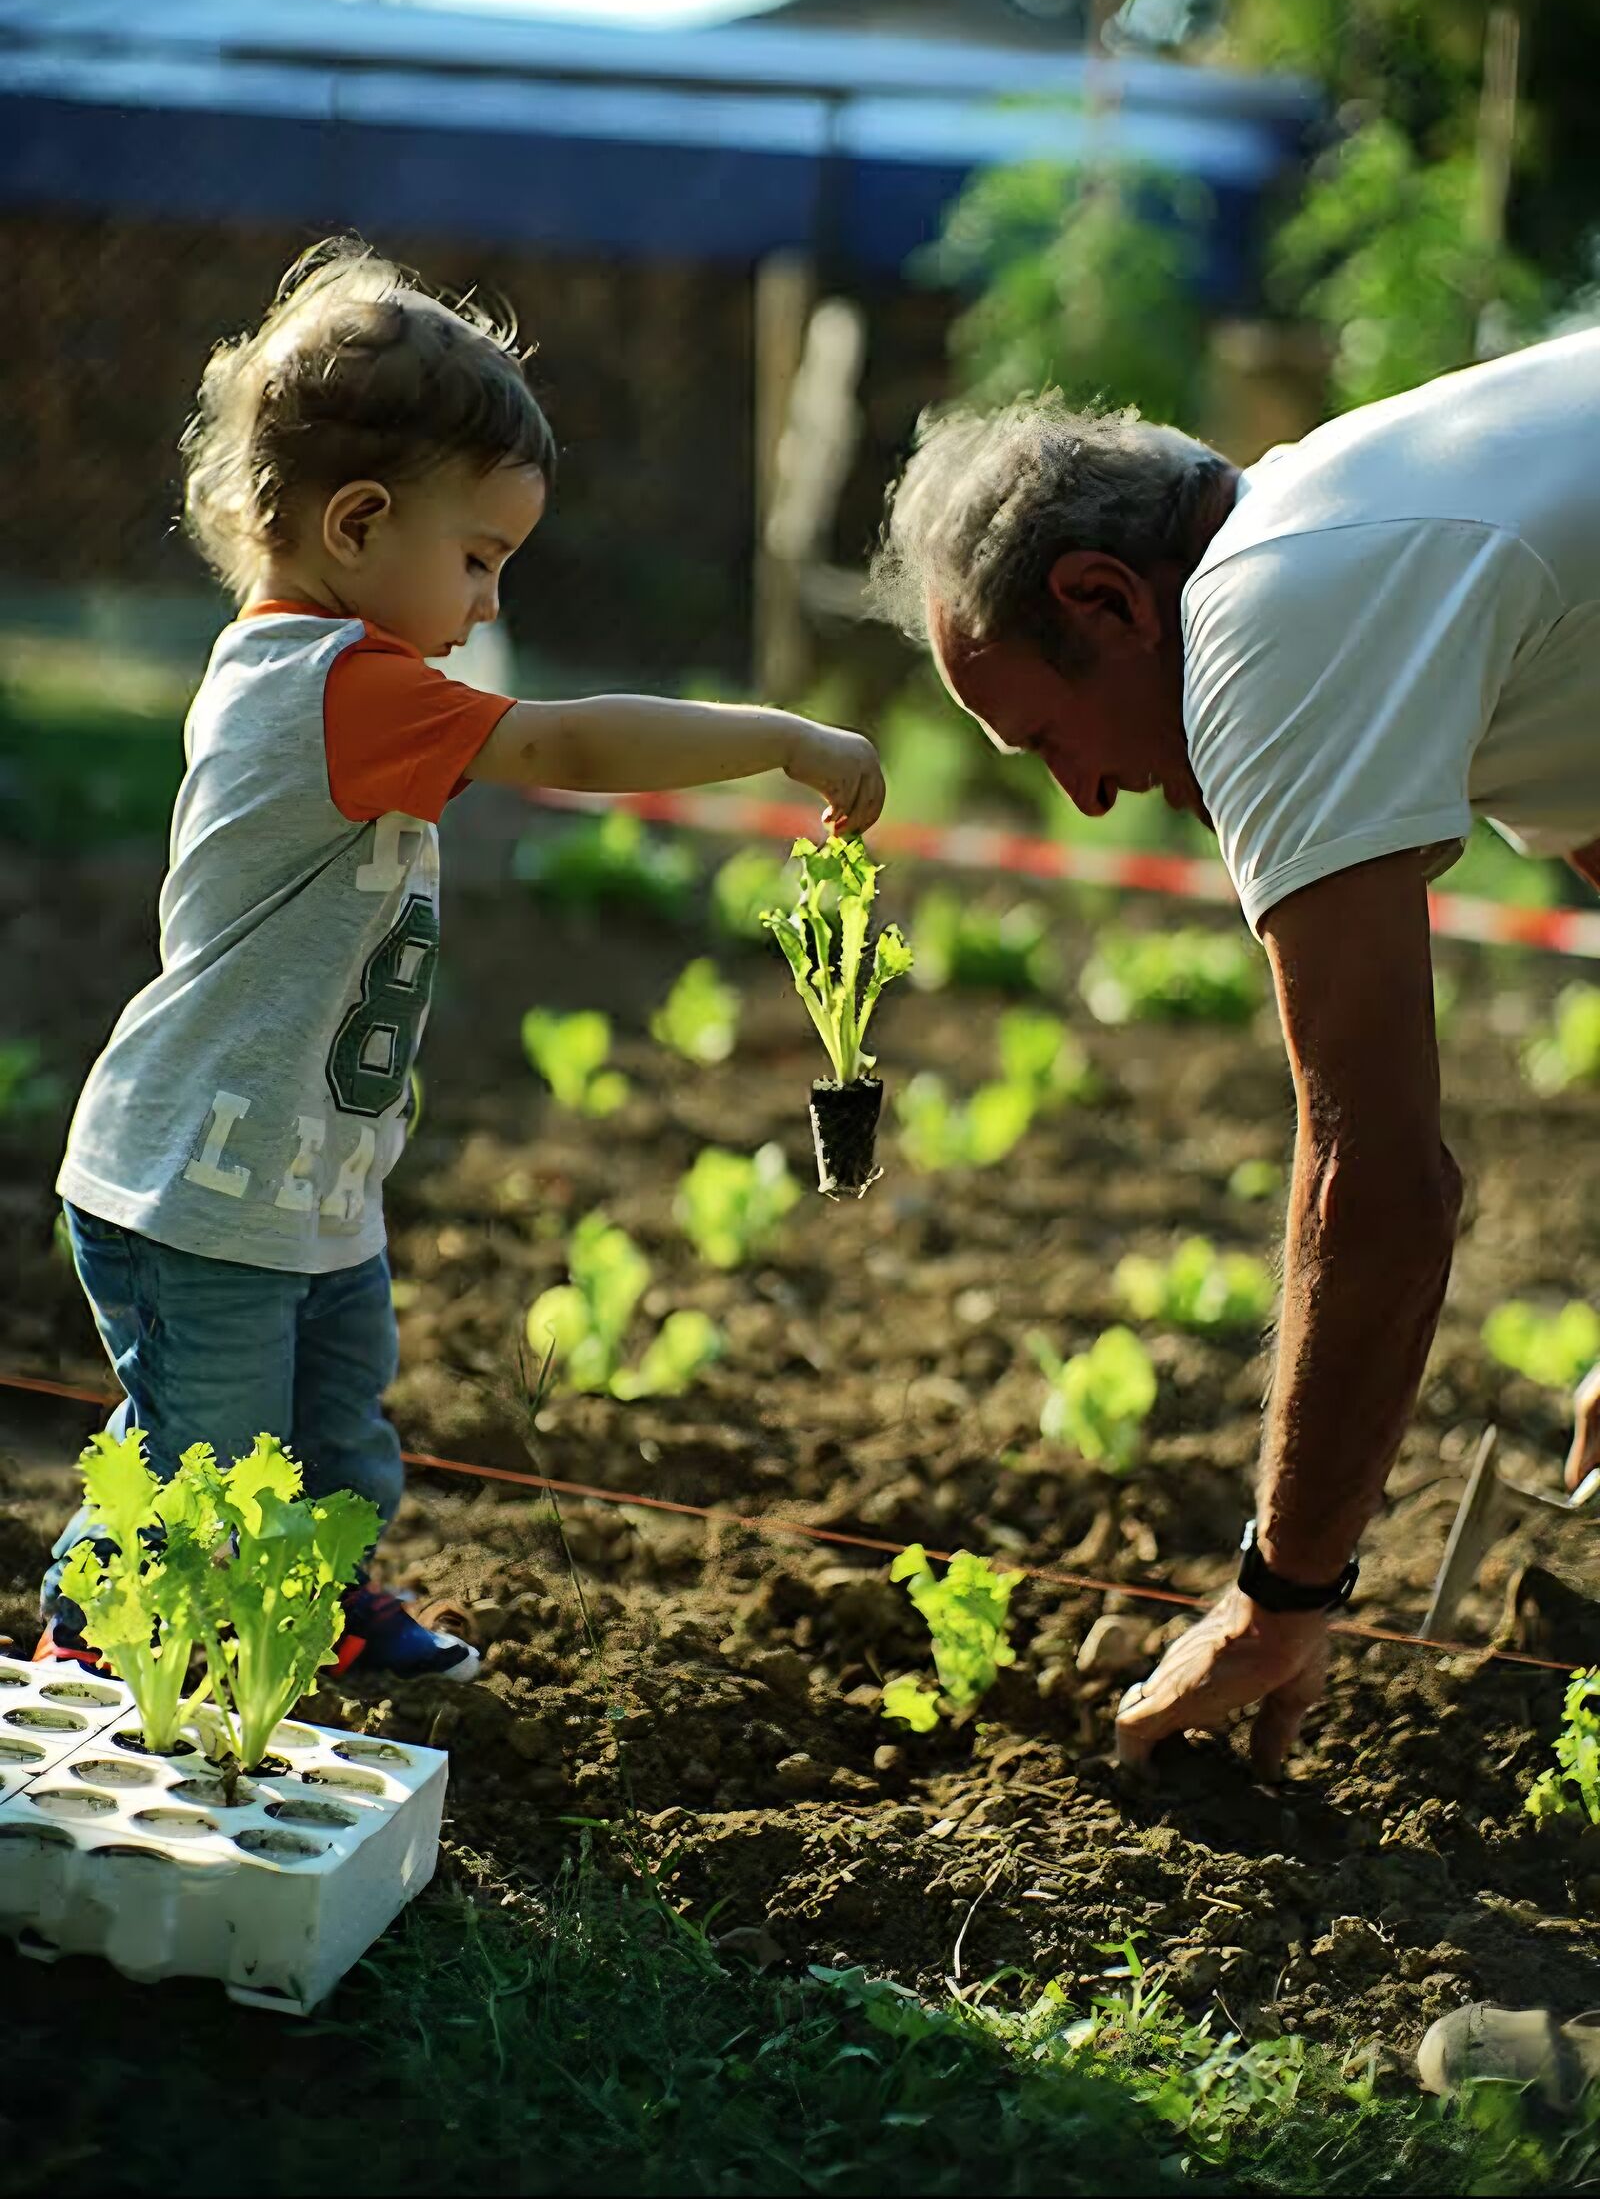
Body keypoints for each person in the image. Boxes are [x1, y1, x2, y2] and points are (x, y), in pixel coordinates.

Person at [41, 237, 883, 1683]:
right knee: (199, 1466)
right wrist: (776, 737)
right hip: (197, 1185)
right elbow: (561, 741)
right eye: (479, 560)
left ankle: (322, 1601)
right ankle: (87, 1627)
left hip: (297, 1175)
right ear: (358, 524)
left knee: (339, 1437)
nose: (488, 604)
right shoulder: (331, 683)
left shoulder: (352, 679)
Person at [872, 334, 1600, 1773]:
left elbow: (1377, 1181)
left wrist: (1281, 1597)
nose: (1087, 797)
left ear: (1107, 602)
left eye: (1047, 735)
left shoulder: (1272, 612)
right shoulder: (1383, 532)